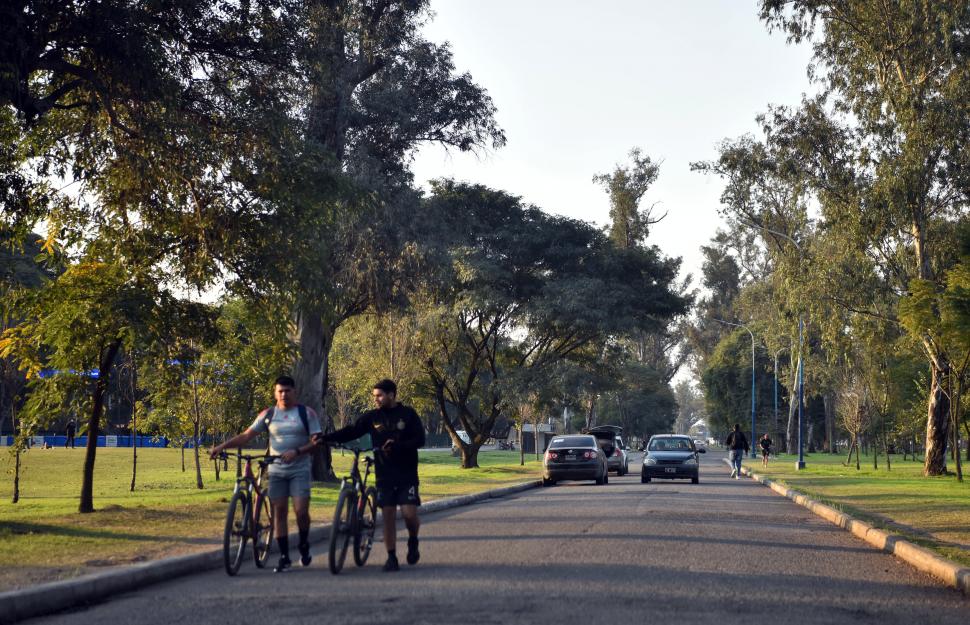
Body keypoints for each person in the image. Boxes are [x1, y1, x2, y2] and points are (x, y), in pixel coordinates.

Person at [210, 375, 321, 572]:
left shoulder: (306, 414)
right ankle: (285, 556)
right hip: (276, 470)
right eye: (280, 391)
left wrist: (297, 452)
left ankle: (304, 544)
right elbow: (246, 435)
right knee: (279, 512)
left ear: (295, 392)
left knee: (301, 511)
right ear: (274, 393)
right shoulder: (268, 414)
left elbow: (316, 442)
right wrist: (222, 446)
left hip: (300, 469)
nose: (284, 394)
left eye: (287, 391)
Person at [314, 379, 425, 572]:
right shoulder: (372, 417)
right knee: (388, 515)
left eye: (380, 395)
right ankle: (391, 558)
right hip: (384, 474)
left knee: (409, 515)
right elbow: (352, 431)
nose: (376, 399)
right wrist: (326, 438)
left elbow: (420, 439)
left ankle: (413, 540)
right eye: (374, 396)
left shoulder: (408, 415)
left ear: (392, 394)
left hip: (406, 473)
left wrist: (398, 445)